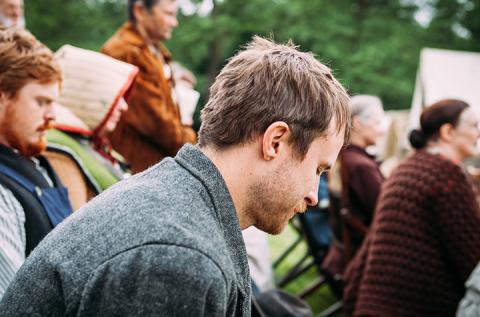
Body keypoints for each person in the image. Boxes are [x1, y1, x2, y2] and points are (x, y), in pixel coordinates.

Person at [0, 36, 350, 316]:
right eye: (317, 170)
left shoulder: (180, 203)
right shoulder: (176, 260)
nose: (313, 195)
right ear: (275, 141)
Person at [343, 99, 480, 317]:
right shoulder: (446, 175)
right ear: (448, 132)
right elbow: (472, 260)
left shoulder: (408, 166)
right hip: (418, 306)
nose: (478, 134)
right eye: (474, 126)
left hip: (376, 301)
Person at [0, 29, 71, 297]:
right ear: (2, 95)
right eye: (41, 102)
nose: (52, 115)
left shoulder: (38, 164)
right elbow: (11, 302)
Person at [101, 0, 196, 173]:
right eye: (168, 14)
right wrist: (193, 140)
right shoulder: (127, 52)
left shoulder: (153, 50)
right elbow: (157, 125)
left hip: (150, 170)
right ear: (140, 11)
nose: (174, 22)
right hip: (133, 173)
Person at [44, 45, 138, 210]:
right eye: (114, 96)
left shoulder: (91, 143)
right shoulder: (57, 149)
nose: (123, 106)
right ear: (84, 90)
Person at [323, 95, 385, 276]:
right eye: (377, 123)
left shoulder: (344, 158)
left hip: (344, 249)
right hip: (365, 254)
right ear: (357, 123)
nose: (381, 130)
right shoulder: (361, 166)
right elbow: (386, 213)